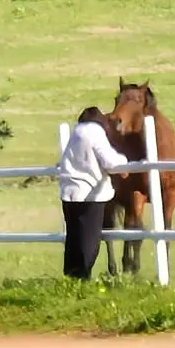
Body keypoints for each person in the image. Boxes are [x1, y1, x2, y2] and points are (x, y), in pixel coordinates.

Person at [57, 106, 132, 279]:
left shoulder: (76, 133)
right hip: (89, 195)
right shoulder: (95, 132)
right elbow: (110, 161)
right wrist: (124, 163)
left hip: (69, 193)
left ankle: (71, 279)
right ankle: (82, 279)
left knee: (73, 240)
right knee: (88, 243)